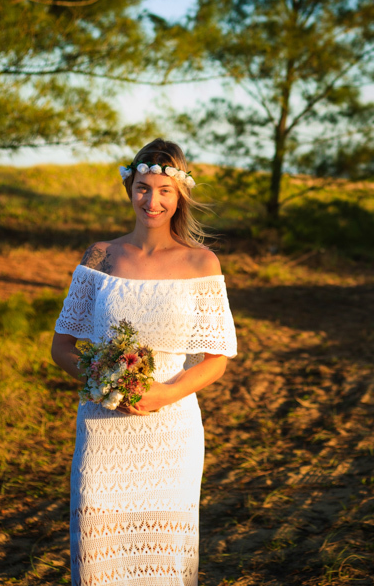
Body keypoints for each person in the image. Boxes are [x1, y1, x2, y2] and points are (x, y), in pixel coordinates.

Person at [49, 139, 237, 586]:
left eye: (164, 191)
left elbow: (217, 359)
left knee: (163, 563)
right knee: (98, 553)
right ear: (129, 188)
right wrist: (101, 380)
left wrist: (166, 394)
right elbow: (61, 347)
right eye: (142, 188)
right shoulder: (101, 256)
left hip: (172, 436)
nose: (152, 200)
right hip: (102, 430)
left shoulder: (201, 263)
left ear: (179, 196)